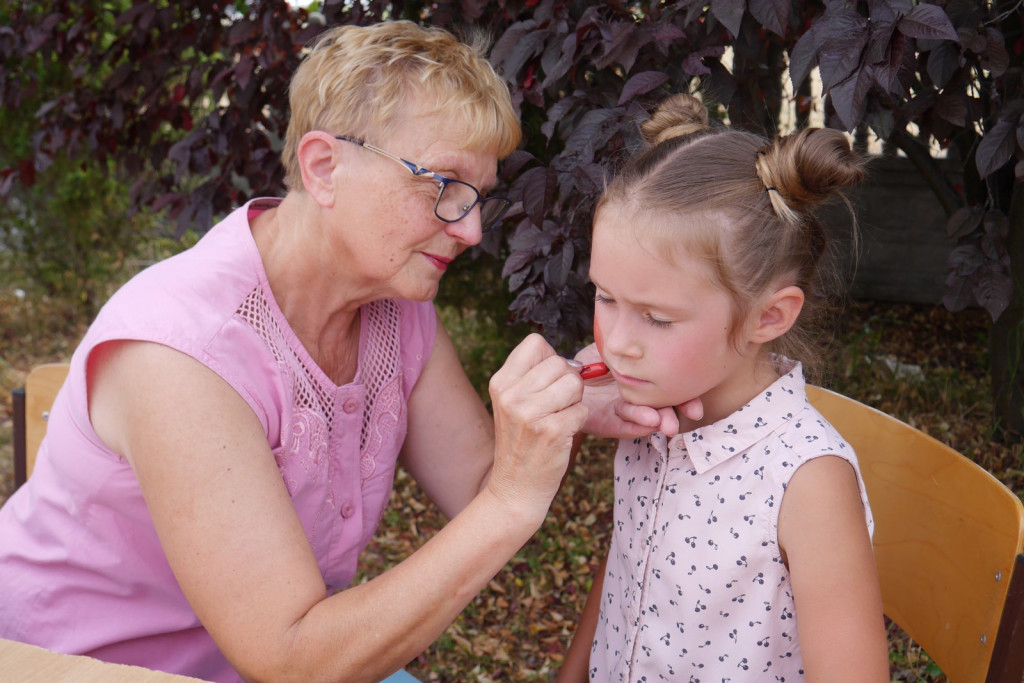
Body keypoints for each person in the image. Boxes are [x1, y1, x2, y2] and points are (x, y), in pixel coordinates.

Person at [0, 21, 692, 683]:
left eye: (478, 196)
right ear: (325, 167)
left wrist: (564, 404)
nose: (472, 228)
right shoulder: (182, 353)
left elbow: (479, 484)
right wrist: (511, 501)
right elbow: (292, 659)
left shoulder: (394, 310)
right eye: (445, 187)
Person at [557, 93, 890, 681]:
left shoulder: (807, 482)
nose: (617, 342)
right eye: (605, 298)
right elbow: (628, 568)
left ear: (769, 316)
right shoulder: (647, 412)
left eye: (657, 318)